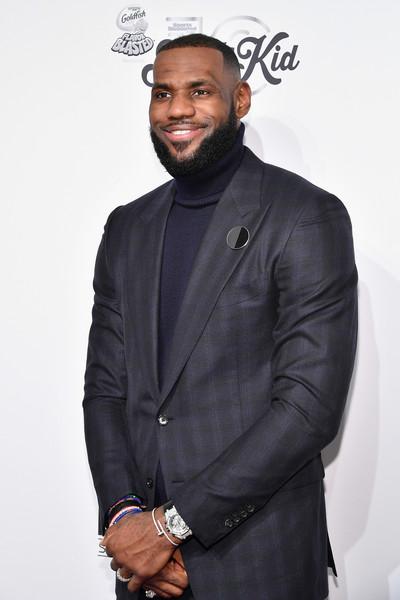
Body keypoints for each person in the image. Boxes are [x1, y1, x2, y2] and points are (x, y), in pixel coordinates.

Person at [83, 33, 357, 600]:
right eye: (162, 93)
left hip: (258, 559)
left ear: (241, 99)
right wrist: (126, 517)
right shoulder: (127, 227)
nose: (177, 109)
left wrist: (168, 527)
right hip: (146, 570)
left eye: (200, 90)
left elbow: (308, 408)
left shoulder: (305, 215)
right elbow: (106, 390)